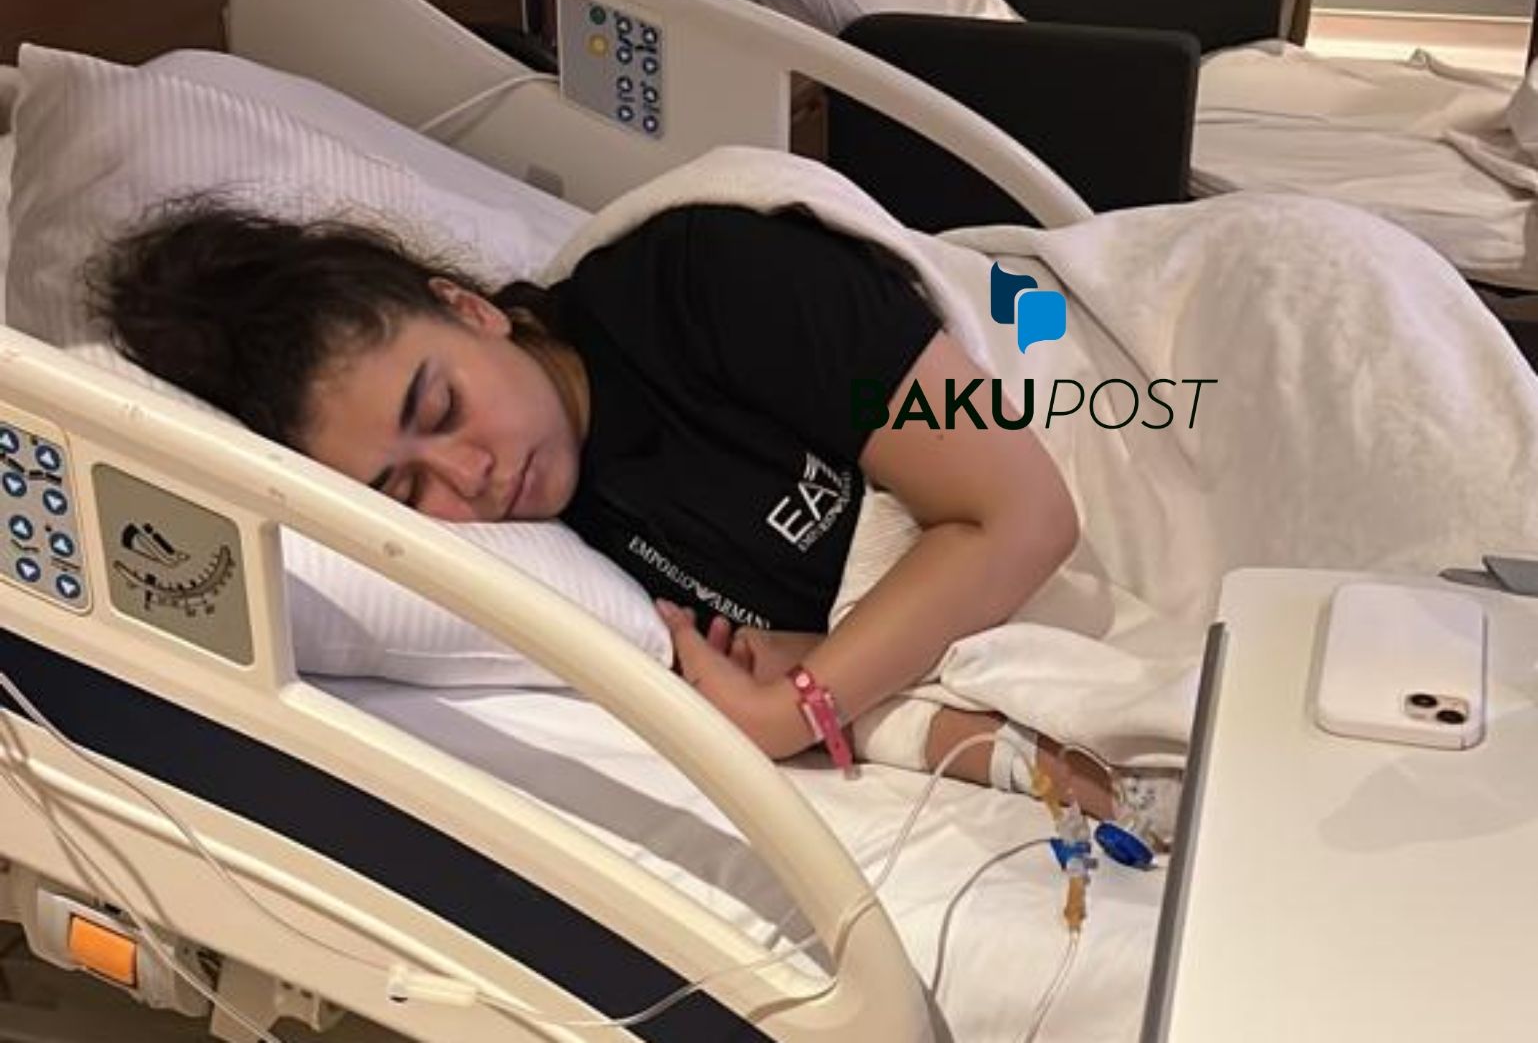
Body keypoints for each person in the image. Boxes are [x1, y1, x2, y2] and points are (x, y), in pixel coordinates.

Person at [93, 196, 1161, 828]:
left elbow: (1024, 512)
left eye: (442, 407)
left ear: (470, 310)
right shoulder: (563, 552)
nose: (469, 478)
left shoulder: (707, 282)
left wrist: (796, 709)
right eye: (407, 491)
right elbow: (835, 635)